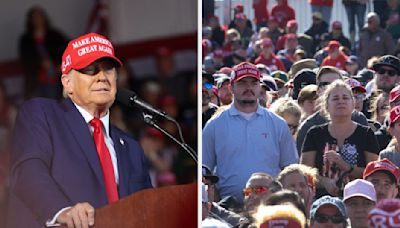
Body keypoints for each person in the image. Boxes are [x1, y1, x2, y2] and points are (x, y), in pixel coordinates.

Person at [7, 33, 152, 228]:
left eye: (108, 69)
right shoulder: (42, 114)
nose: (102, 77)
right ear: (67, 82)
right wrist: (62, 211)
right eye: (90, 70)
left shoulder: (132, 148)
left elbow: (148, 211)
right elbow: (28, 171)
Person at [202, 62, 298, 202]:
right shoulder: (215, 125)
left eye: (253, 83)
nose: (248, 88)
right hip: (228, 209)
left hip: (269, 207)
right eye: (242, 83)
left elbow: (290, 169)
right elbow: (204, 171)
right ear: (231, 87)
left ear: (260, 87)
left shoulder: (277, 124)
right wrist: (216, 202)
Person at [301, 80, 379, 198]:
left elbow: (373, 173)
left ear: (353, 104)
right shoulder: (314, 133)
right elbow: (305, 172)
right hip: (321, 200)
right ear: (326, 105)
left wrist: (347, 167)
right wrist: (324, 182)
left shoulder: (366, 134)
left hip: (358, 200)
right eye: (335, 98)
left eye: (345, 98)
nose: (341, 101)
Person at [296, 66, 368, 153]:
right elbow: (304, 165)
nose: (331, 88)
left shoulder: (359, 119)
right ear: (318, 90)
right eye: (326, 84)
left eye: (336, 83)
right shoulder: (308, 127)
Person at [19, 5, 69, 100]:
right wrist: (40, 63)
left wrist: (59, 66)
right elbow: (25, 61)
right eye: (35, 17)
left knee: (52, 106)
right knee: (36, 108)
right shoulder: (26, 40)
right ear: (30, 20)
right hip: (35, 82)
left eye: (40, 16)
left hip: (54, 81)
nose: (38, 19)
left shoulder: (55, 35)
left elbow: (69, 49)